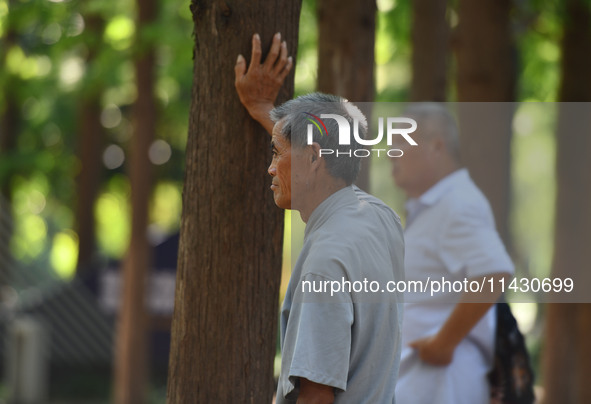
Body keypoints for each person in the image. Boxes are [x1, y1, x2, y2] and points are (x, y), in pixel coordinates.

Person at [235, 33, 405, 403]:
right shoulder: (381, 220)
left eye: (276, 153)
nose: (269, 168)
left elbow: (316, 395)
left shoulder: (324, 264)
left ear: (313, 159)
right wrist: (266, 109)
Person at [390, 103, 513, 404]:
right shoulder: (436, 207)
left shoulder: (458, 204)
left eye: (400, 143)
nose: (390, 154)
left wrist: (443, 344)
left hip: (443, 387)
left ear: (436, 146)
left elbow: (494, 273)